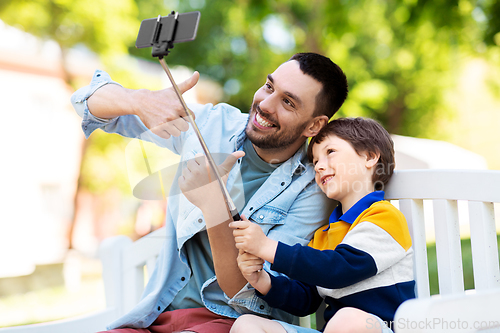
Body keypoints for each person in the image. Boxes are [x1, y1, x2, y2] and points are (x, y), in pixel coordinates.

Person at [70, 53, 348, 332]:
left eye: (287, 102)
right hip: (158, 315)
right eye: (268, 86)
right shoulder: (215, 125)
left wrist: (214, 205)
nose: (265, 104)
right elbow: (85, 105)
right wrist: (139, 101)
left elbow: (248, 291)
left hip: (233, 321)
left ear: (314, 125)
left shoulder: (311, 188)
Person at [229, 117, 416, 333]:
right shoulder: (323, 235)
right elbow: (305, 301)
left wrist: (266, 247)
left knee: (347, 320)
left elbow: (338, 269)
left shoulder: (384, 216)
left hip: (380, 328)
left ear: (370, 156)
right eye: (315, 160)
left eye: (330, 152)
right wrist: (262, 280)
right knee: (247, 325)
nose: (318, 166)